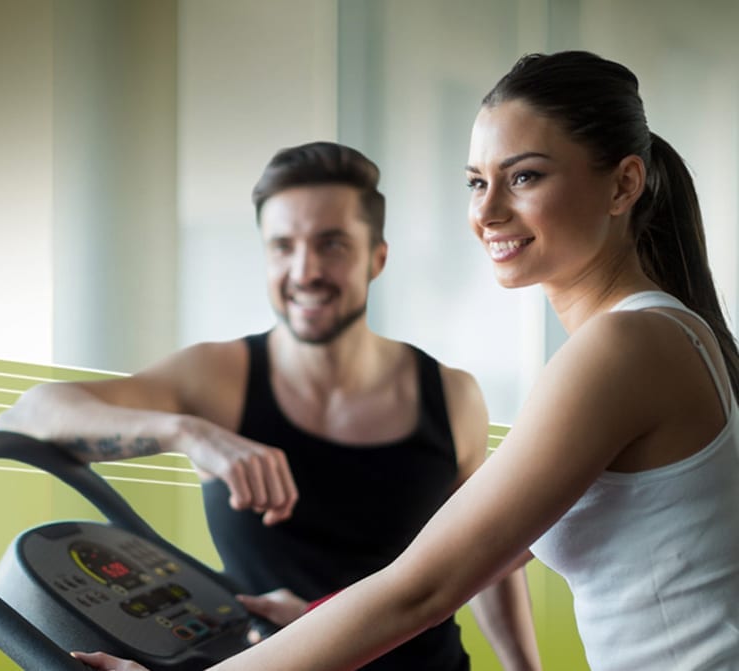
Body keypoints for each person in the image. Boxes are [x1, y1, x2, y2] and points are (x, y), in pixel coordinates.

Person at [72, 51, 739, 671]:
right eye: (477, 181)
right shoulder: (654, 335)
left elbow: (420, 589)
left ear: (624, 184)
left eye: (525, 176)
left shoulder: (623, 348)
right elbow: (470, 560)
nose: (487, 210)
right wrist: (310, 616)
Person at [0, 141, 542, 670]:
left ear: (377, 258)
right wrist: (188, 433)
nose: (304, 271)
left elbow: (489, 560)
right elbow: (27, 416)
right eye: (283, 246)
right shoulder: (216, 378)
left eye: (332, 244)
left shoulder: (451, 395)